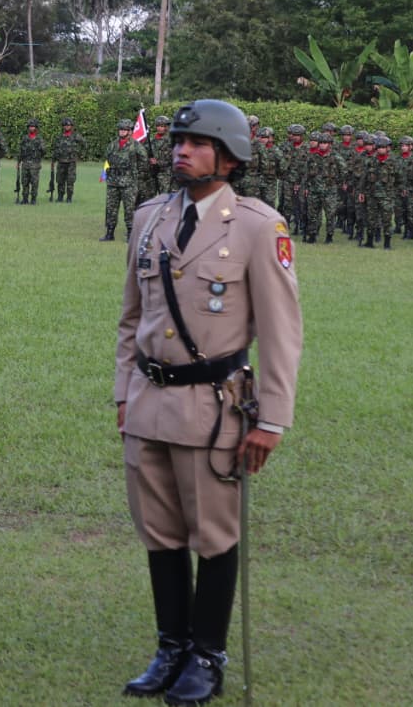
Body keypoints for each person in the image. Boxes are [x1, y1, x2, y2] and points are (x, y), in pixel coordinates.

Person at [115, 99, 302, 706]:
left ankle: (207, 656)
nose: (181, 151)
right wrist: (123, 394)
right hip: (148, 402)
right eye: (178, 142)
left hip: (213, 408)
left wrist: (271, 420)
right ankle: (170, 648)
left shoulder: (257, 227)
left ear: (229, 157)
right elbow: (131, 319)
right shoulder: (148, 218)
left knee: (214, 536)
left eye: (196, 144)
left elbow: (281, 332)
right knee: (159, 534)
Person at [101, 118, 144, 241]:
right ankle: (109, 233)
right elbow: (107, 159)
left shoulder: (136, 145)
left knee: (129, 209)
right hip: (113, 181)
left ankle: (131, 233)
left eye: (125, 129)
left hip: (128, 183)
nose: (122, 131)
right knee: (111, 208)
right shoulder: (113, 144)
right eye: (120, 129)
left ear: (130, 131)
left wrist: (135, 174)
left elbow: (143, 161)